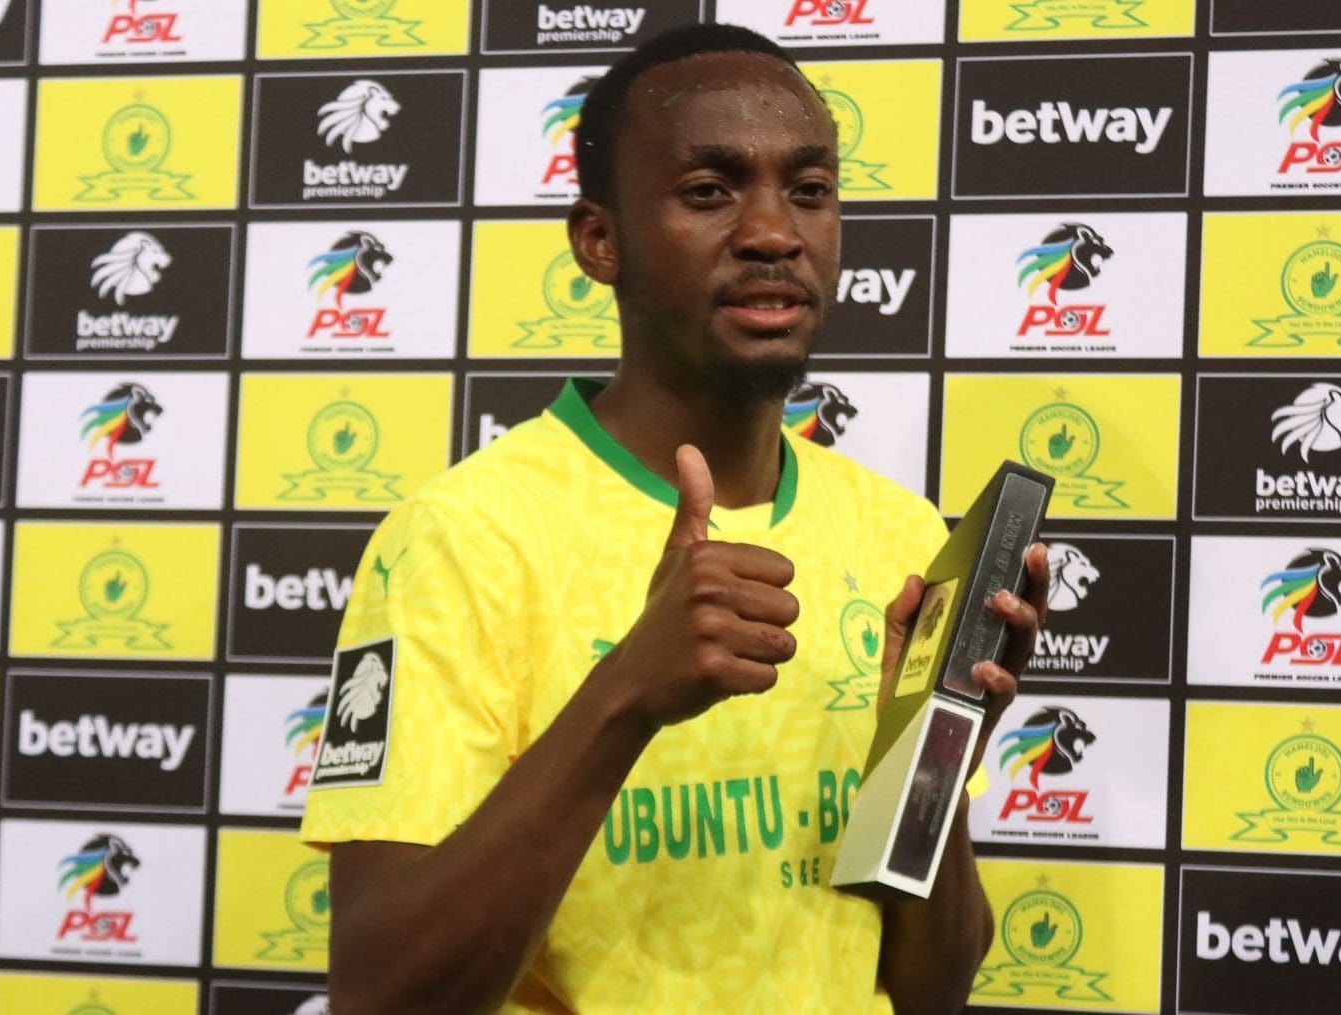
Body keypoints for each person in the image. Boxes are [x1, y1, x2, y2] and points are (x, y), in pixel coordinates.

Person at [299, 23, 1049, 1014]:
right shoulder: (464, 536)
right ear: (599, 239)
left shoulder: (899, 535)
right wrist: (627, 693)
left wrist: (932, 759)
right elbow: (381, 992)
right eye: (710, 191)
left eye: (810, 190)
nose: (774, 231)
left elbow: (931, 988)